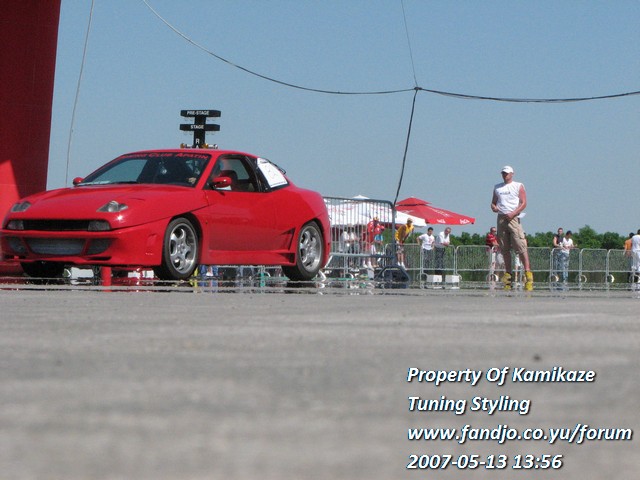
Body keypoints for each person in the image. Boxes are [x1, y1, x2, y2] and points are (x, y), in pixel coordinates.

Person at [490, 165, 533, 291]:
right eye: (503, 173)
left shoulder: (518, 185)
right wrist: (494, 207)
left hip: (513, 217)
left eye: (507, 173)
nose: (505, 175)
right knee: (504, 247)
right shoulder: (497, 187)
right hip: (501, 217)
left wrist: (514, 213)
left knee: (520, 245)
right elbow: (493, 202)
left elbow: (524, 202)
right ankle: (508, 273)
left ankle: (528, 272)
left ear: (512, 174)